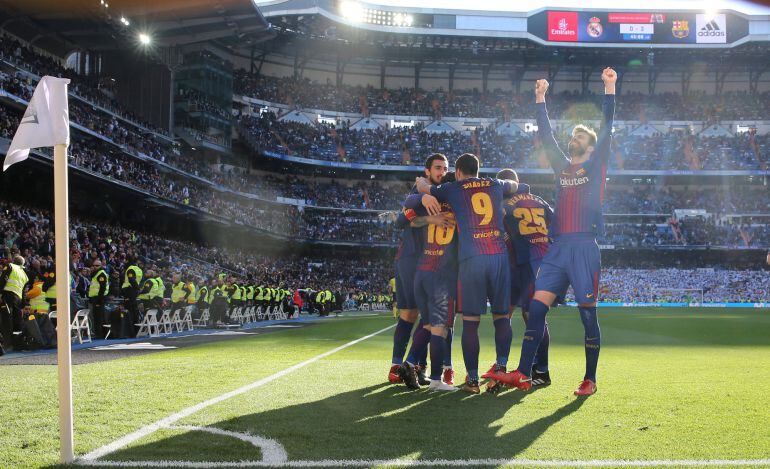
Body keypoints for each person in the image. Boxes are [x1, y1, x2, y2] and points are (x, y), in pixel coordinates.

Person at [491, 68, 616, 396]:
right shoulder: (562, 169)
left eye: (580, 139)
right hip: (557, 249)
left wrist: (610, 88)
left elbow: (607, 129)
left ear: (591, 148)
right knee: (536, 309)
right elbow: (546, 136)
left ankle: (590, 379)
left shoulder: (595, 165)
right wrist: (540, 98)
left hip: (584, 248)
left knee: (587, 316)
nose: (574, 140)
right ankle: (522, 372)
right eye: (574, 137)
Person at [416, 153, 518, 393]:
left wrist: (422, 184)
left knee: (470, 323)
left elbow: (425, 187)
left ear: (459, 172)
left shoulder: (453, 188)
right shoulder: (495, 184)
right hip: (499, 257)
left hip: (472, 259)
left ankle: (472, 381)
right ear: (478, 170)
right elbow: (517, 185)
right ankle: (500, 368)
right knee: (502, 317)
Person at [490, 168, 554, 392]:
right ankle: (536, 368)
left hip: (519, 265)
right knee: (532, 317)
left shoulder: (502, 205)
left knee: (506, 314)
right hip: (537, 262)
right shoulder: (539, 200)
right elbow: (556, 225)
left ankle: (508, 366)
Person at [388, 153, 449, 385]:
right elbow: (402, 221)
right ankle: (396, 366)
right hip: (411, 258)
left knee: (426, 317)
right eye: (437, 167)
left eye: (444, 168)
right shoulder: (417, 193)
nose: (441, 172)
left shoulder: (442, 192)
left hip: (430, 261)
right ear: (427, 171)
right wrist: (430, 220)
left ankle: (416, 368)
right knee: (410, 315)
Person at [402, 171, 459, 391]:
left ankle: (409, 363)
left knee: (427, 325)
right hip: (441, 275)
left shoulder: (431, 206)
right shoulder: (459, 207)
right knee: (440, 329)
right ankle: (436, 380)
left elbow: (410, 220)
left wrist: (422, 192)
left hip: (422, 271)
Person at [0, 255, 29, 353]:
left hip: (8, 296)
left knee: (6, 319)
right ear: (22, 265)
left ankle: (6, 344)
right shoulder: (24, 275)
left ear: (14, 261)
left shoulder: (10, 266)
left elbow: (3, 279)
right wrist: (23, 305)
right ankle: (17, 343)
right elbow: (24, 292)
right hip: (18, 299)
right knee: (17, 321)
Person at [87, 260, 110, 340]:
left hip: (99, 298)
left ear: (100, 266)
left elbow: (102, 288)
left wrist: (99, 300)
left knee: (98, 318)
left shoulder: (101, 274)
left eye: (97, 265)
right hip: (95, 298)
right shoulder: (96, 274)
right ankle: (99, 334)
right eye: (94, 265)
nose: (95, 267)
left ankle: (99, 335)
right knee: (97, 317)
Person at [121, 259, 142, 338]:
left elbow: (131, 280)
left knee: (129, 312)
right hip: (133, 292)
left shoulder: (130, 269)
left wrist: (137, 288)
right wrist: (137, 289)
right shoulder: (139, 270)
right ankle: (135, 331)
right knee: (134, 311)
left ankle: (130, 332)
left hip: (129, 291)